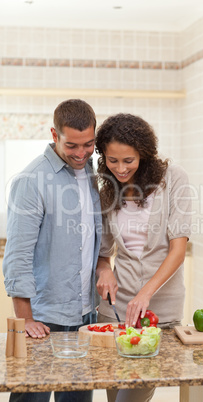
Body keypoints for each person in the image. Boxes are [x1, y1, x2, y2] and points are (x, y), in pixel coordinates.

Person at [3, 99, 102, 402]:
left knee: (77, 400)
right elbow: (17, 254)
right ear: (54, 134)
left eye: (88, 144)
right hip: (44, 319)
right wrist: (26, 319)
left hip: (86, 315)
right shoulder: (32, 180)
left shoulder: (92, 174)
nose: (81, 153)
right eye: (72, 145)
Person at [95, 113, 192, 402]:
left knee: (131, 397)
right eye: (113, 161)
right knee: (114, 395)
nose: (121, 168)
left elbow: (178, 249)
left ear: (144, 155)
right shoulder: (107, 190)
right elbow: (103, 254)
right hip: (114, 310)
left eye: (129, 160)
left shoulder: (173, 179)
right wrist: (105, 270)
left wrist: (145, 294)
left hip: (158, 308)